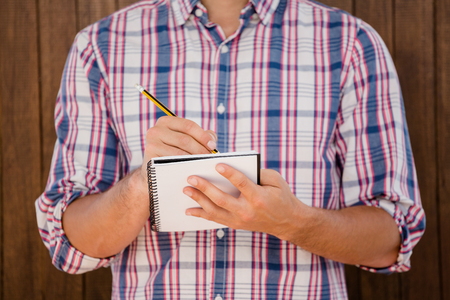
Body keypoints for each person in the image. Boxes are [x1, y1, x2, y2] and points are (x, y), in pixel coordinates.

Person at [35, 0, 425, 299]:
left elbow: (392, 237)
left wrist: (292, 222)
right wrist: (141, 184)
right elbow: (70, 245)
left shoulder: (350, 44)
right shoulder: (102, 47)